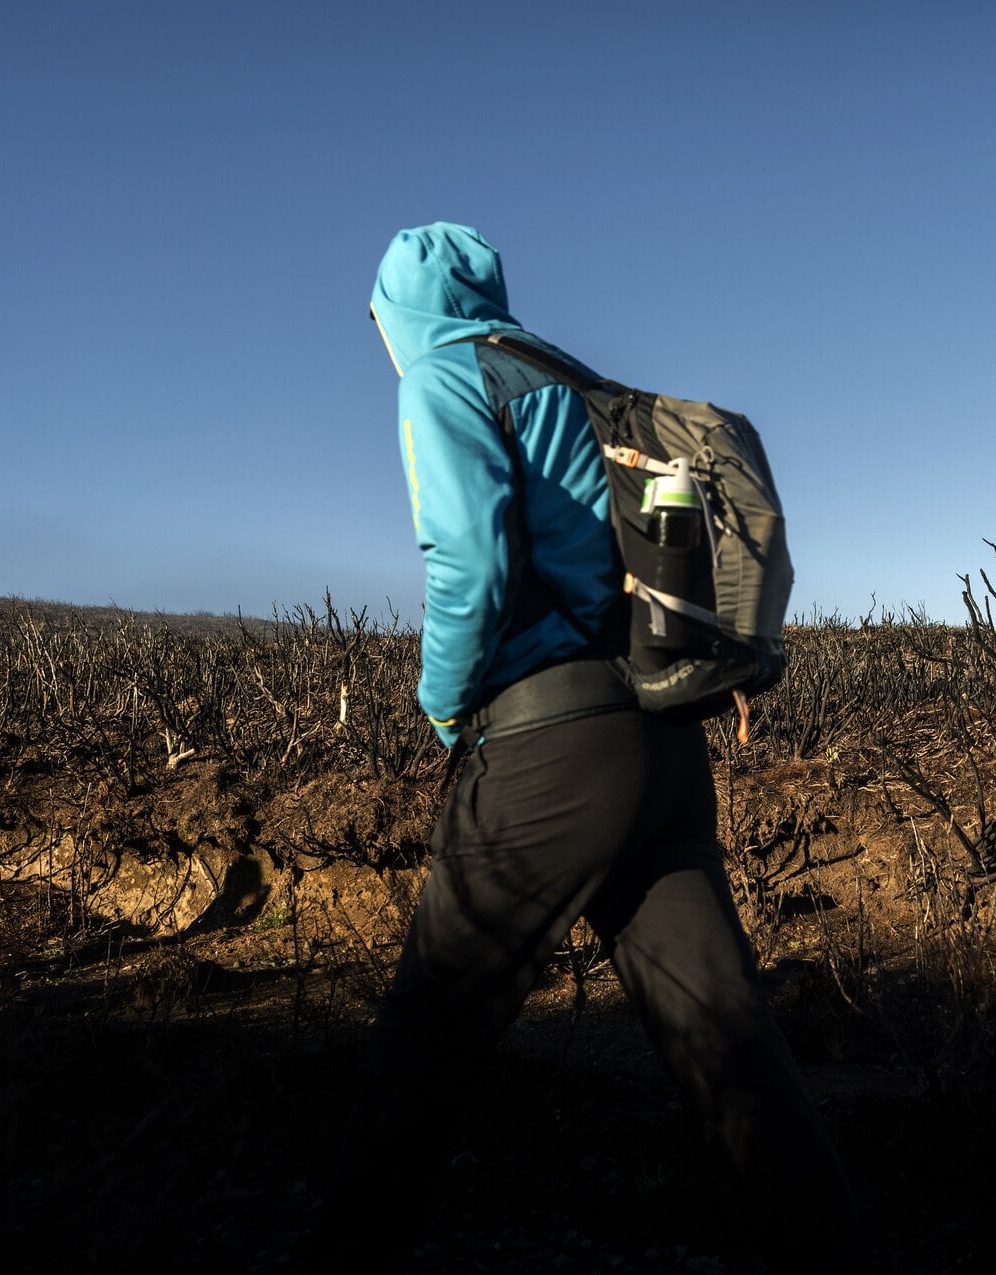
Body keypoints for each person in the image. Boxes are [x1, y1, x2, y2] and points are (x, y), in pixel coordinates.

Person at [309, 223, 857, 1267]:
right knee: (733, 1054)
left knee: (417, 1059)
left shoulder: (445, 372)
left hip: (547, 752)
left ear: (397, 310)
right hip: (660, 751)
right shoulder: (581, 386)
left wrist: (440, 706)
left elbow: (468, 560)